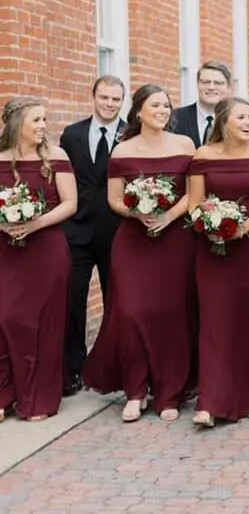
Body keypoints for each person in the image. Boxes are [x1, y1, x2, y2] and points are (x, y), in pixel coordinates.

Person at [82, 85, 196, 422]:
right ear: (139, 112)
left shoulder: (185, 145)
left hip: (175, 240)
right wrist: (137, 213)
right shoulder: (122, 150)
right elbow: (114, 199)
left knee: (171, 313)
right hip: (133, 241)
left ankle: (169, 391)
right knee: (130, 312)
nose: (162, 111)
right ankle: (135, 389)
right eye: (155, 105)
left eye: (166, 105)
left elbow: (193, 194)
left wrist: (167, 216)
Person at [188, 97, 249, 426]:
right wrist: (208, 225)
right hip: (212, 249)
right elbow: (195, 202)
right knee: (214, 321)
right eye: (241, 117)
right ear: (223, 121)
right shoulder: (203, 156)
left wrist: (240, 227)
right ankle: (209, 402)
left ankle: (247, 396)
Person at [0, 98, 77, 421]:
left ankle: (39, 399)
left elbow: (70, 204)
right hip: (7, 249)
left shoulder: (56, 157)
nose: (43, 125)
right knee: (8, 319)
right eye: (36, 120)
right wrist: (5, 223)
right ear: (17, 124)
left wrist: (34, 223)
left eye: (45, 119)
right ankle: (6, 393)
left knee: (44, 323)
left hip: (47, 249)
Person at [59, 75, 125, 396]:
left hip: (117, 232)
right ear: (94, 97)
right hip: (77, 230)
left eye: (116, 99)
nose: (110, 104)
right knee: (72, 299)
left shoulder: (129, 137)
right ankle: (73, 368)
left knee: (118, 299)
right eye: (105, 98)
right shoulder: (71, 135)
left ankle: (117, 367)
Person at [173, 61, 233, 148]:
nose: (211, 87)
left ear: (228, 87)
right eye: (205, 82)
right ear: (197, 84)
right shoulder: (175, 118)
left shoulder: (239, 121)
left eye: (218, 83)